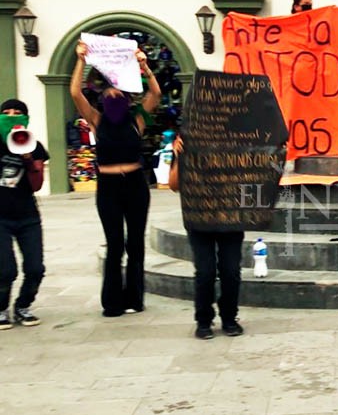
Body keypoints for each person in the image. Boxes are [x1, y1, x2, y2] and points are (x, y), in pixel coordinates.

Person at [70, 40, 161, 316]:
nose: (113, 96)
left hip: (135, 185)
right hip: (108, 187)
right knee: (115, 244)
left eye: (118, 92)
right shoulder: (97, 119)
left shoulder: (137, 120)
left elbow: (155, 93)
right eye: (108, 93)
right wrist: (81, 60)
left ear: (126, 97)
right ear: (102, 98)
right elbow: (75, 93)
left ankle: (135, 298)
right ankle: (112, 302)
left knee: (135, 243)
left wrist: (144, 66)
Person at [168, 136, 245, 340]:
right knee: (205, 271)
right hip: (200, 218)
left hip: (230, 218)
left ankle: (229, 317)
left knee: (231, 270)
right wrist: (177, 156)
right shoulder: (186, 142)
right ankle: (203, 320)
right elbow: (174, 185)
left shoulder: (240, 140)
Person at [0, 99, 48, 329]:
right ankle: (1, 309)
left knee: (35, 268)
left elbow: (37, 184)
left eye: (17, 112)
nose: (11, 116)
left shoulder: (33, 145)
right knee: (5, 269)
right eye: (6, 112)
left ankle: (23, 306)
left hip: (27, 215)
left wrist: (29, 161)